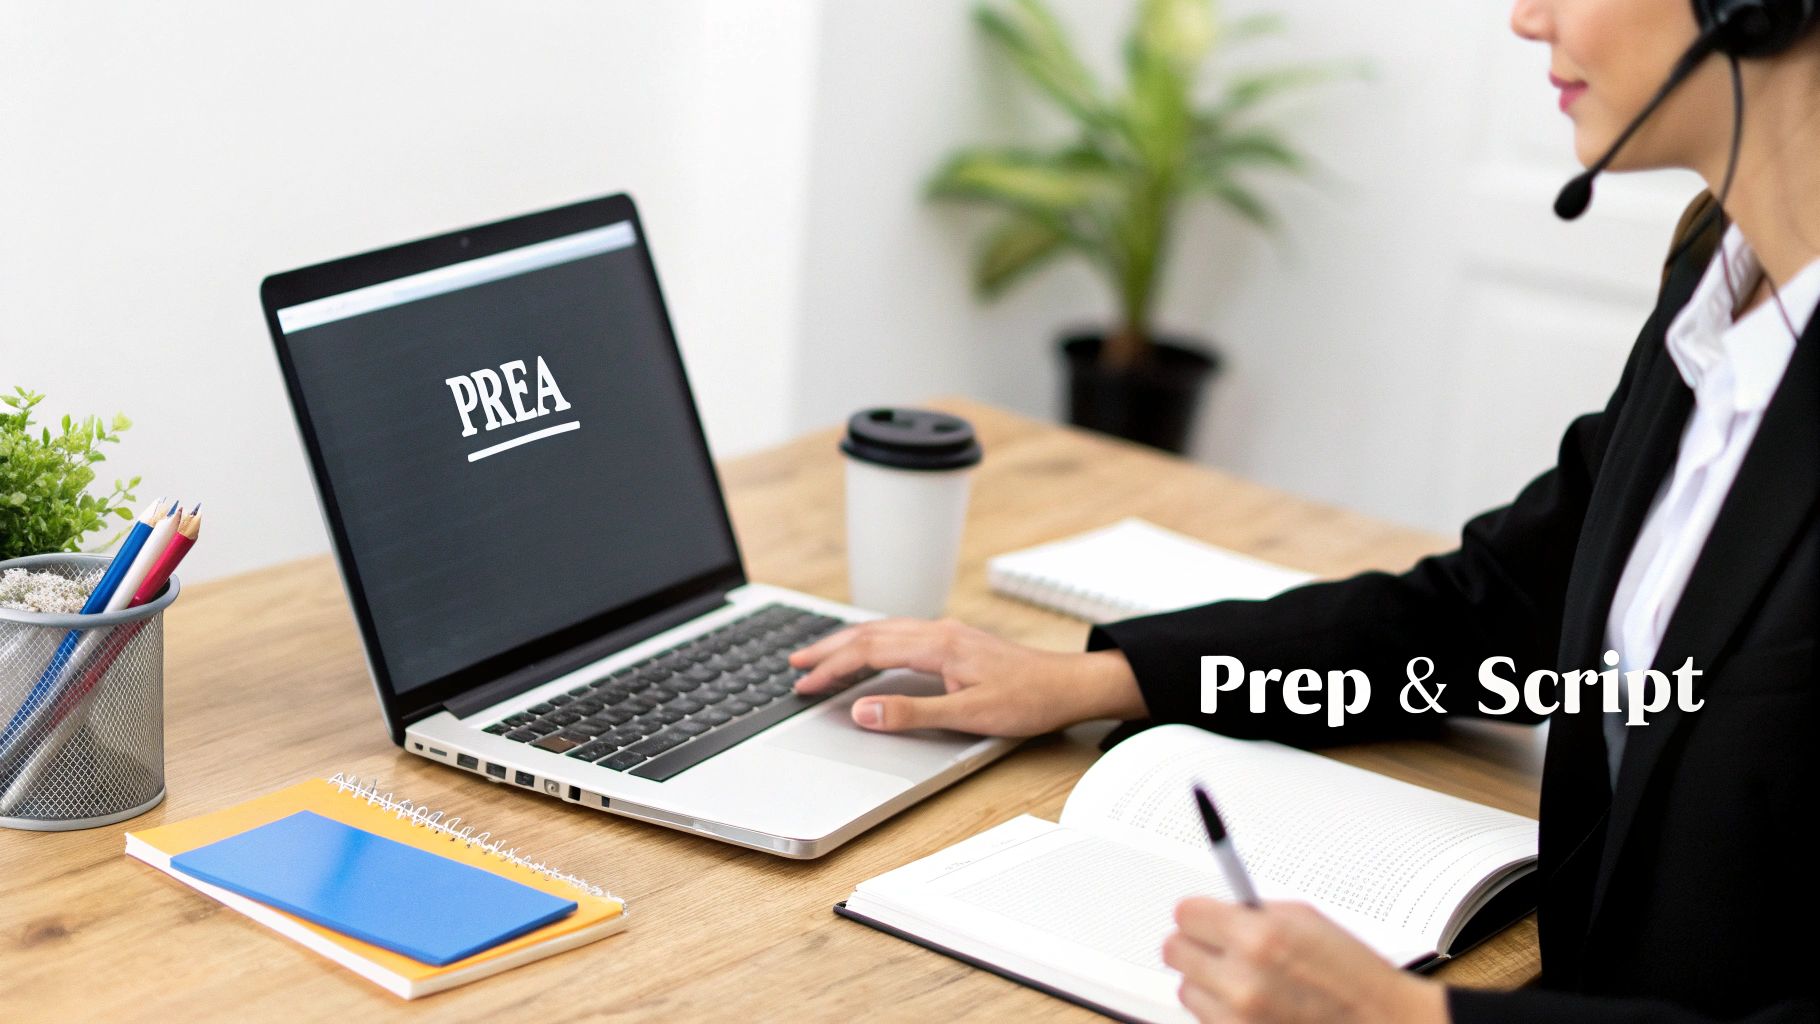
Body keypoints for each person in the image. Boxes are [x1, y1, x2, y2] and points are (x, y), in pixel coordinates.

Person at [788, 0, 1820, 1020]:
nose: (1524, 16)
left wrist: (1403, 1019)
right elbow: (1483, 610)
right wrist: (1088, 680)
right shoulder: (1717, 288)